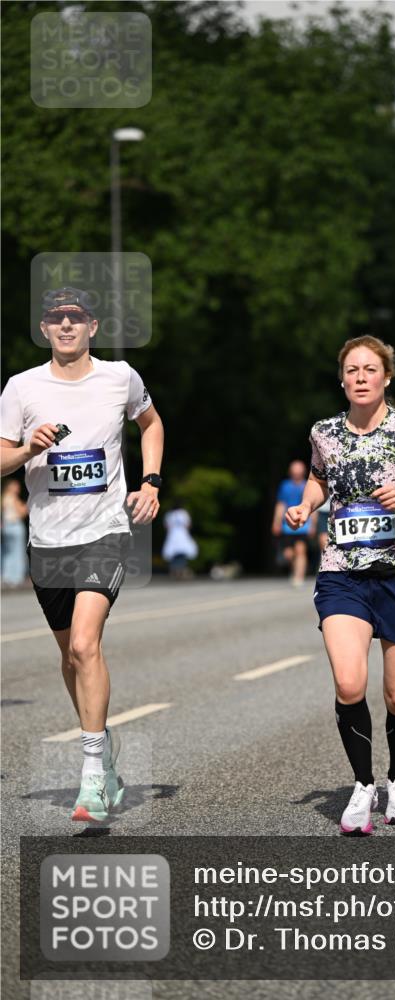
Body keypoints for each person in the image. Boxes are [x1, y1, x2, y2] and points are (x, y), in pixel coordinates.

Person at [0, 287, 164, 822]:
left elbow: (151, 424)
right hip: (48, 539)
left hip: (105, 530)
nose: (66, 325)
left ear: (92, 326)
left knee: (88, 644)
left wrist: (152, 482)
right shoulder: (21, 387)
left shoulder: (119, 377)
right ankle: (106, 751)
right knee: (70, 656)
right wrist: (28, 449)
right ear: (43, 328)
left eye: (76, 317)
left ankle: (91, 775)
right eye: (55, 317)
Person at [286, 336, 395, 835]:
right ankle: (363, 786)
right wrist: (304, 505)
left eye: (370, 369)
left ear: (386, 378)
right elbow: (320, 479)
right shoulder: (325, 432)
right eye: (352, 370)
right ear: (342, 379)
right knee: (348, 682)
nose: (360, 377)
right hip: (343, 573)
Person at [272, 460, 315, 586]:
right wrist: (276, 522)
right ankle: (295, 568)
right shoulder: (285, 486)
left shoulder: (307, 485)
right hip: (287, 524)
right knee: (289, 554)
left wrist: (312, 524)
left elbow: (312, 506)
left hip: (303, 523)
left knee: (301, 550)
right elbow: (281, 505)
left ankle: (299, 576)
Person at [1, 478, 28, 586]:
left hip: (6, 527)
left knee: (8, 552)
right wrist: (27, 506)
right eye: (16, 486)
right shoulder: (14, 498)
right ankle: (16, 577)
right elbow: (21, 513)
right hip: (15, 525)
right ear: (11, 486)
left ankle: (6, 575)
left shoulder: (4, 497)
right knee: (18, 551)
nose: (18, 488)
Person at [162, 504, 198, 579]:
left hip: (172, 535)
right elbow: (188, 525)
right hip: (182, 535)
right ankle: (181, 571)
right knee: (182, 554)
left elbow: (167, 526)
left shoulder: (169, 514)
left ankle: (175, 571)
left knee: (173, 554)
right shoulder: (183, 513)